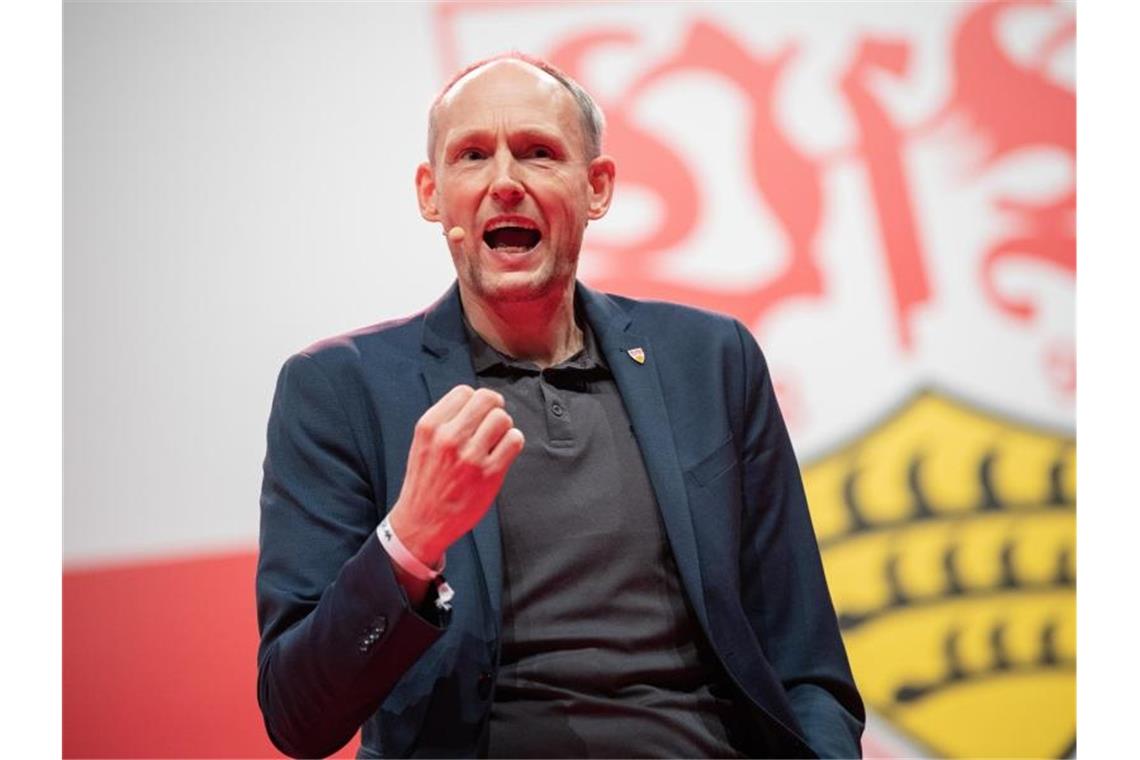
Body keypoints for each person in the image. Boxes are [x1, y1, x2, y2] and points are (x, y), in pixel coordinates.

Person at [256, 52, 863, 759]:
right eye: (473, 156)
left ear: (597, 186)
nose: (505, 182)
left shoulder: (711, 361)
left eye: (539, 154)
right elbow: (298, 717)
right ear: (431, 193)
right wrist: (410, 540)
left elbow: (807, 666)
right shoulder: (341, 388)